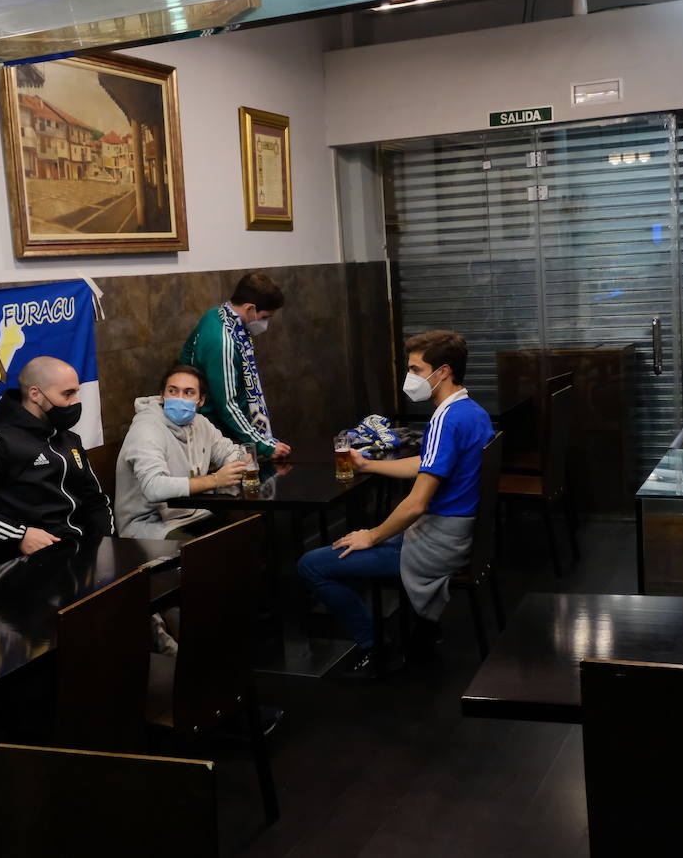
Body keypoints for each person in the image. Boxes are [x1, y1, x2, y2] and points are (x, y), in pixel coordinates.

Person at [297, 330, 493, 678]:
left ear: (443, 371)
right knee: (368, 537)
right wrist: (369, 464)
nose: (410, 378)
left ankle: (377, 646)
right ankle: (419, 631)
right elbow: (426, 463)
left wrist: (371, 535)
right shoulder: (471, 411)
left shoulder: (446, 420)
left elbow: (416, 504)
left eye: (416, 370)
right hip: (459, 534)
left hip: (436, 543)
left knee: (312, 565)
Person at [0, 355, 113, 554]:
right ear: (35, 394)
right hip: (32, 563)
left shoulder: (70, 440)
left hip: (79, 552)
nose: (75, 402)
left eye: (76, 393)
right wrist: (18, 535)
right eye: (67, 394)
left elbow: (95, 501)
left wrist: (104, 545)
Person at [115, 363, 248, 540]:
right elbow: (154, 487)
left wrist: (241, 461)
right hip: (149, 524)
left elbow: (229, 452)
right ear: (162, 396)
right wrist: (215, 480)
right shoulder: (146, 429)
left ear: (200, 401)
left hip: (194, 512)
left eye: (188, 393)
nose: (179, 398)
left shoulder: (201, 424)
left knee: (248, 526)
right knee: (207, 549)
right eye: (173, 391)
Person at [179, 271, 292, 459]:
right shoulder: (223, 341)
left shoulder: (215, 315)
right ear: (250, 308)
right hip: (215, 433)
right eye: (265, 317)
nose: (265, 324)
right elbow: (228, 405)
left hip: (222, 426)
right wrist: (264, 446)